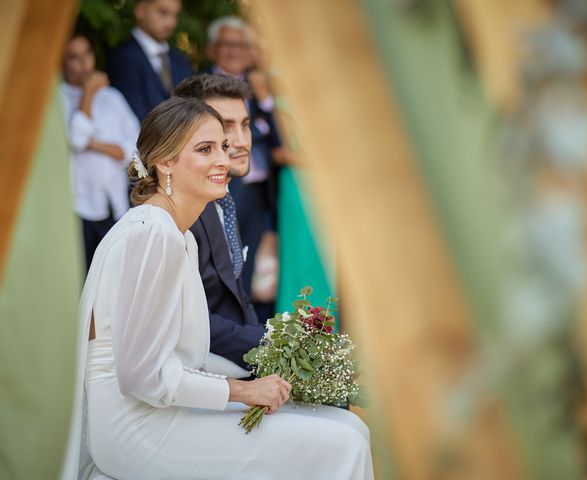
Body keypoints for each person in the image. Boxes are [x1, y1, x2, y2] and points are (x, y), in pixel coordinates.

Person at [62, 97, 373, 480]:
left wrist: (278, 369)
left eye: (223, 147)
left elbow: (181, 354)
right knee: (345, 443)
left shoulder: (177, 235)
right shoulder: (153, 234)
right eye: (205, 149)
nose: (223, 160)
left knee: (350, 427)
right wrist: (246, 392)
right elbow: (142, 376)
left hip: (158, 409)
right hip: (136, 427)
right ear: (165, 162)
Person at [173, 74, 264, 373]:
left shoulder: (223, 200)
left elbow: (239, 297)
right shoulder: (178, 214)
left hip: (232, 359)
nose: (240, 141)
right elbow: (184, 320)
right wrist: (268, 346)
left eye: (246, 125)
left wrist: (276, 350)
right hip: (193, 369)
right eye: (226, 127)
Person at [205, 16, 281, 321]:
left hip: (262, 190)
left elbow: (280, 138)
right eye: (228, 45)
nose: (235, 52)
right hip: (226, 185)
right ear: (212, 50)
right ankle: (229, 323)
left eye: (242, 45)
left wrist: (266, 99)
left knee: (258, 263)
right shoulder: (203, 88)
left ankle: (252, 323)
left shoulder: (259, 86)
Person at [60, 31, 139, 271]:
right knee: (81, 277)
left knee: (113, 276)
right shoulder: (57, 98)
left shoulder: (113, 97)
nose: (84, 63)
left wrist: (93, 144)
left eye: (87, 54)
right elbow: (75, 138)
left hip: (114, 202)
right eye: (74, 57)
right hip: (78, 205)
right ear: (63, 62)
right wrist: (88, 93)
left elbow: (133, 148)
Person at [107, 0, 192, 122]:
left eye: (175, 15)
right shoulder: (123, 58)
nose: (171, 23)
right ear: (140, 10)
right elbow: (132, 118)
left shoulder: (181, 61)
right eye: (163, 12)